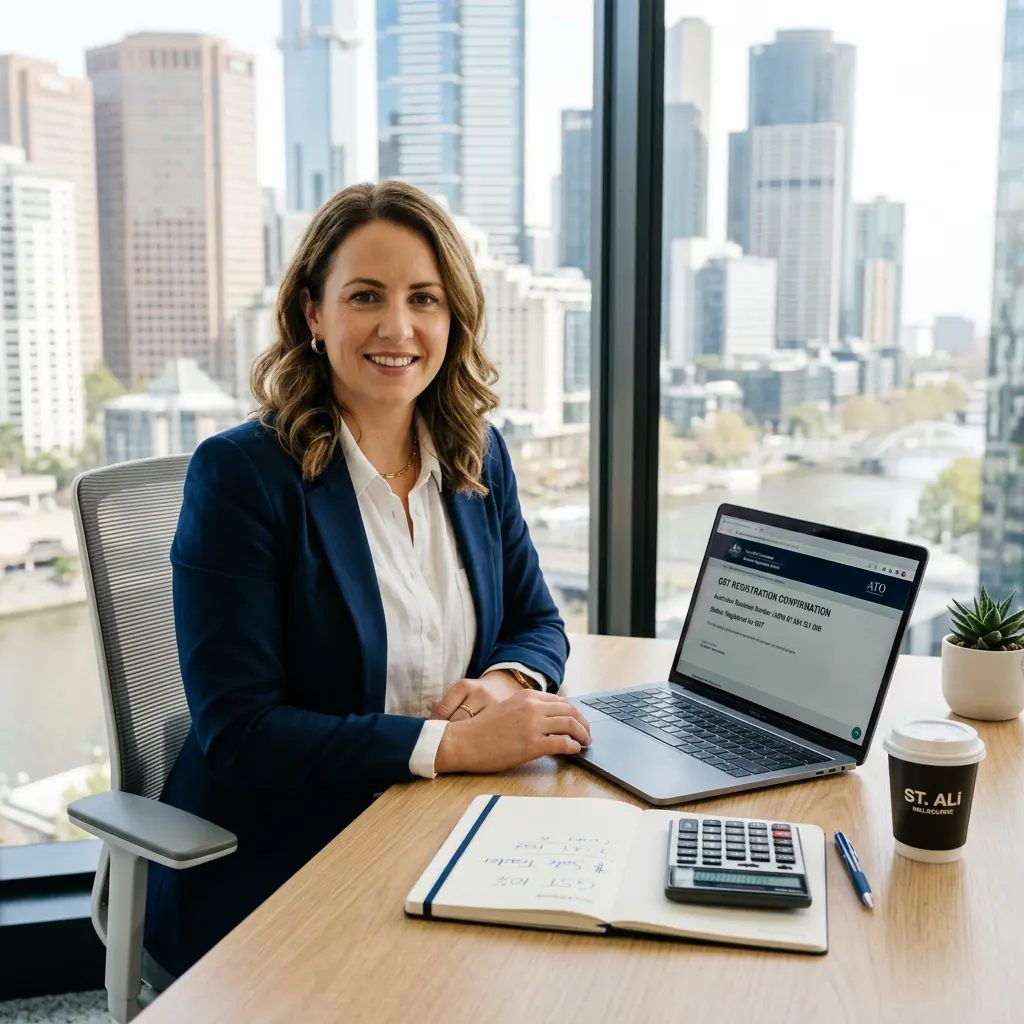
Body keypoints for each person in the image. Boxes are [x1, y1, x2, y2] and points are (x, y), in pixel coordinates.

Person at [144, 180, 591, 977]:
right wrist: (451, 746)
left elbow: (538, 621)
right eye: (365, 296)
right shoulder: (243, 477)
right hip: (282, 854)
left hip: (443, 823)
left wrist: (503, 678)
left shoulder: (475, 455)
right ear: (314, 315)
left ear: (453, 319)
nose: (398, 327)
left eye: (424, 298)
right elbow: (241, 734)